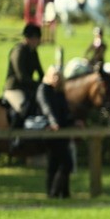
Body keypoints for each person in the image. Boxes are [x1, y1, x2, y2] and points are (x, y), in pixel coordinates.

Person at [36, 66, 79, 198]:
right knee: (65, 163)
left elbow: (65, 112)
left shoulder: (59, 93)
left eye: (58, 76)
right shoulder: (43, 90)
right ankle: (55, 193)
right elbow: (46, 108)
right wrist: (53, 122)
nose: (56, 79)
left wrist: (74, 122)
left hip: (61, 132)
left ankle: (62, 193)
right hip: (50, 131)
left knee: (55, 163)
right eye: (54, 76)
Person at [4, 23, 44, 122]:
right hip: (14, 88)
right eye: (37, 38)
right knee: (23, 108)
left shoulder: (33, 51)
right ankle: (17, 135)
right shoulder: (18, 51)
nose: (39, 41)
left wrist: (45, 85)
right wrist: (38, 84)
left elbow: (40, 72)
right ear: (31, 38)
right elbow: (21, 76)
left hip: (27, 88)